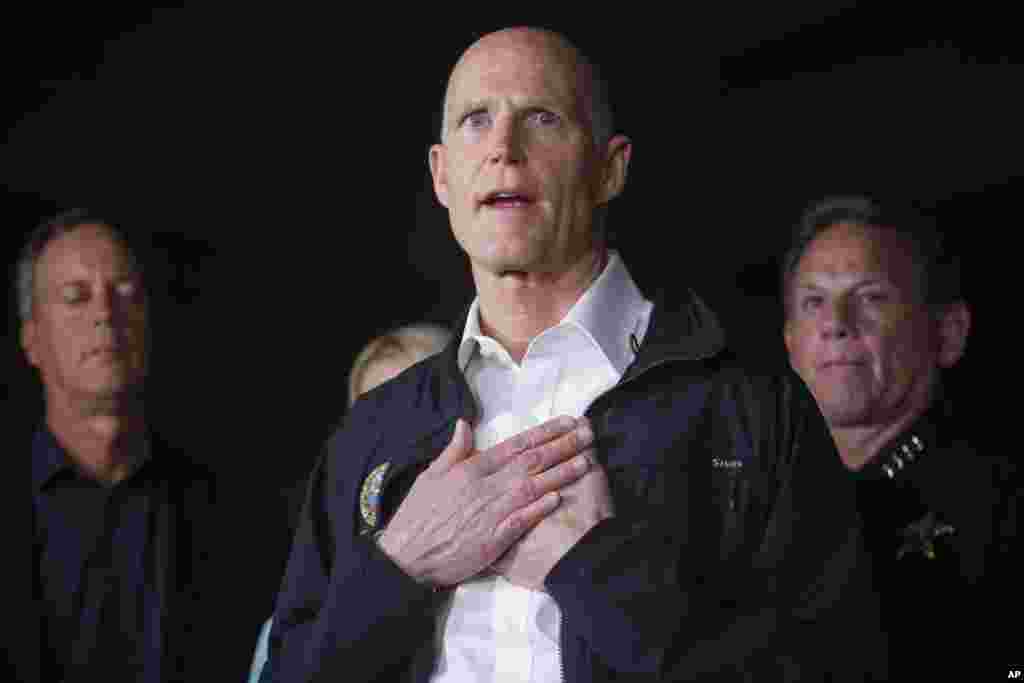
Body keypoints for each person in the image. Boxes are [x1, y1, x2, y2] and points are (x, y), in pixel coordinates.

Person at [265, 28, 880, 682]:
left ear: (609, 169)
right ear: (442, 176)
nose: (504, 149)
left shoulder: (752, 411)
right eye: (477, 120)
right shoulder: (372, 431)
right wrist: (399, 567)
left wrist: (595, 571)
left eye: (541, 118)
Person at [782, 196, 1019, 677]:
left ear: (947, 333)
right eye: (814, 302)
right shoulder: (752, 508)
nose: (835, 324)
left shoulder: (1002, 506)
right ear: (790, 344)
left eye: (871, 297)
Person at [3, 210, 238, 682]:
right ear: (31, 339)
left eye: (125, 293)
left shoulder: (227, 507)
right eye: (76, 297)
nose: (105, 314)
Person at [248, 322, 452, 683]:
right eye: (372, 419)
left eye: (412, 415)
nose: (392, 446)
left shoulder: (490, 602)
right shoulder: (300, 628)